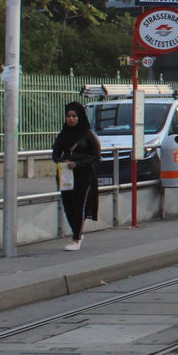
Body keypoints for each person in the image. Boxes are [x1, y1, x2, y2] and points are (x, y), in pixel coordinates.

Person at [52, 102, 101, 250]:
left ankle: (76, 238)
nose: (71, 119)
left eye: (74, 116)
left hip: (84, 175)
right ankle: (77, 231)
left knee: (80, 205)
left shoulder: (87, 134)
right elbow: (55, 154)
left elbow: (96, 155)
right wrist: (62, 161)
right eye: (68, 116)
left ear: (80, 117)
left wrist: (78, 163)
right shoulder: (63, 135)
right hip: (66, 175)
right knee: (68, 206)